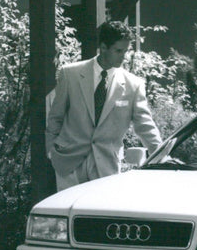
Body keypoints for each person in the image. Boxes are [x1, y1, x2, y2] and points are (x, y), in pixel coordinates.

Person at [46, 21, 162, 191]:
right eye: (118, 51)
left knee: (98, 217)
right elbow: (56, 116)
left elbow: (145, 125)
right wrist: (51, 151)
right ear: (103, 47)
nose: (123, 57)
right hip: (68, 162)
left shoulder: (133, 84)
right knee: (68, 215)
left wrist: (161, 155)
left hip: (106, 165)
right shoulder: (70, 74)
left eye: (126, 51)